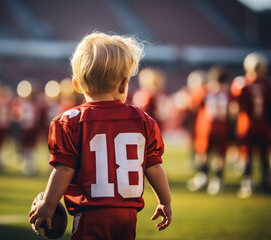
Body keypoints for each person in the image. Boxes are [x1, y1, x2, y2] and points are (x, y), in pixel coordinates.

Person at [29, 32, 172, 239]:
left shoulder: (69, 121)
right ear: (124, 84)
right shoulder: (142, 120)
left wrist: (48, 204)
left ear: (77, 84)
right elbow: (154, 166)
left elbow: (65, 169)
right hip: (127, 216)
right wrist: (164, 201)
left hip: (91, 214)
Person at [236, 52, 271, 198]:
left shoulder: (241, 83)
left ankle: (248, 183)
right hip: (264, 124)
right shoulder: (268, 84)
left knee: (247, 154)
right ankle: (265, 183)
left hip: (247, 124)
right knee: (263, 154)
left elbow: (236, 106)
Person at [187, 66, 232, 195]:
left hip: (207, 128)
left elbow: (193, 106)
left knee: (203, 154)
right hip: (223, 127)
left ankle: (203, 178)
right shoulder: (228, 93)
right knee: (221, 156)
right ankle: (218, 181)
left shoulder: (204, 91)